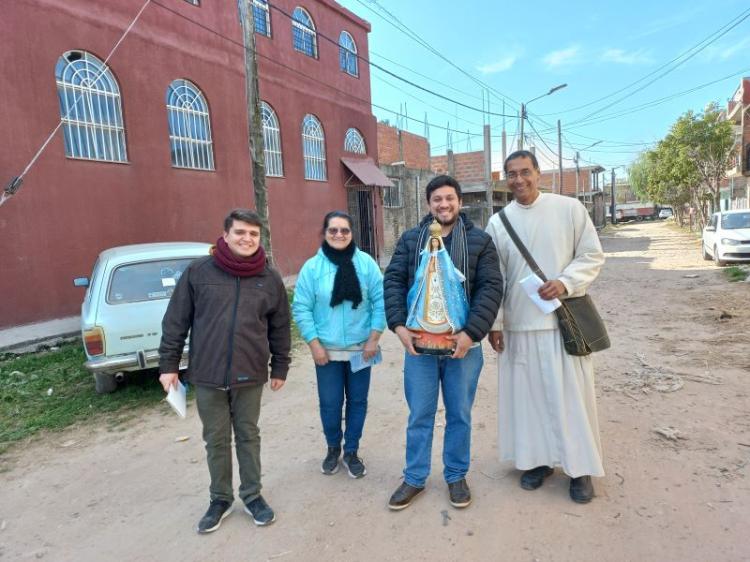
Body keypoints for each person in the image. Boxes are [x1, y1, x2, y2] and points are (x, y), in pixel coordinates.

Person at [158, 208, 291, 533]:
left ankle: (252, 495)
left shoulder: (269, 278)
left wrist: (281, 365)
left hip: (250, 373)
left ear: (260, 238)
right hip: (207, 375)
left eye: (253, 234)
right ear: (226, 234)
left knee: (248, 436)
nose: (247, 239)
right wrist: (168, 365)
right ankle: (220, 499)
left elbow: (280, 326)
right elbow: (176, 320)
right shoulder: (199, 272)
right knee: (215, 439)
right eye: (240, 232)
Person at [485, 150, 606, 504]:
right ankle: (537, 462)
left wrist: (565, 282)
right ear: (504, 179)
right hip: (519, 327)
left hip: (560, 324)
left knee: (571, 399)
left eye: (525, 172)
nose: (519, 180)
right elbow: (495, 278)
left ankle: (580, 469)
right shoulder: (499, 222)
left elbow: (592, 254)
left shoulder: (569, 210)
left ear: (539, 173)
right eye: (511, 174)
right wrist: (496, 323)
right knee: (528, 401)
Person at [383, 175, 503, 510]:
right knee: (419, 413)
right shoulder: (411, 241)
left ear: (459, 202)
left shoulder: (479, 242)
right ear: (428, 204)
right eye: (437, 199)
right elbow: (392, 281)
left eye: (449, 198)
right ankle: (415, 477)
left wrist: (471, 334)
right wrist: (398, 325)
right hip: (419, 346)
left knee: (459, 413)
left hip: (463, 347)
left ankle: (455, 475)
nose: (443, 204)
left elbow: (491, 289)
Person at [292, 211, 385, 478]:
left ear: (351, 233)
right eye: (333, 230)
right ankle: (333, 447)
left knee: (357, 401)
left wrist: (374, 339)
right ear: (325, 233)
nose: (339, 235)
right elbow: (301, 308)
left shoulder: (366, 264)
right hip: (327, 351)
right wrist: (314, 344)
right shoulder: (312, 268)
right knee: (330, 403)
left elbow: (380, 302)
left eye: (344, 230)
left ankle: (352, 451)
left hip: (361, 349)